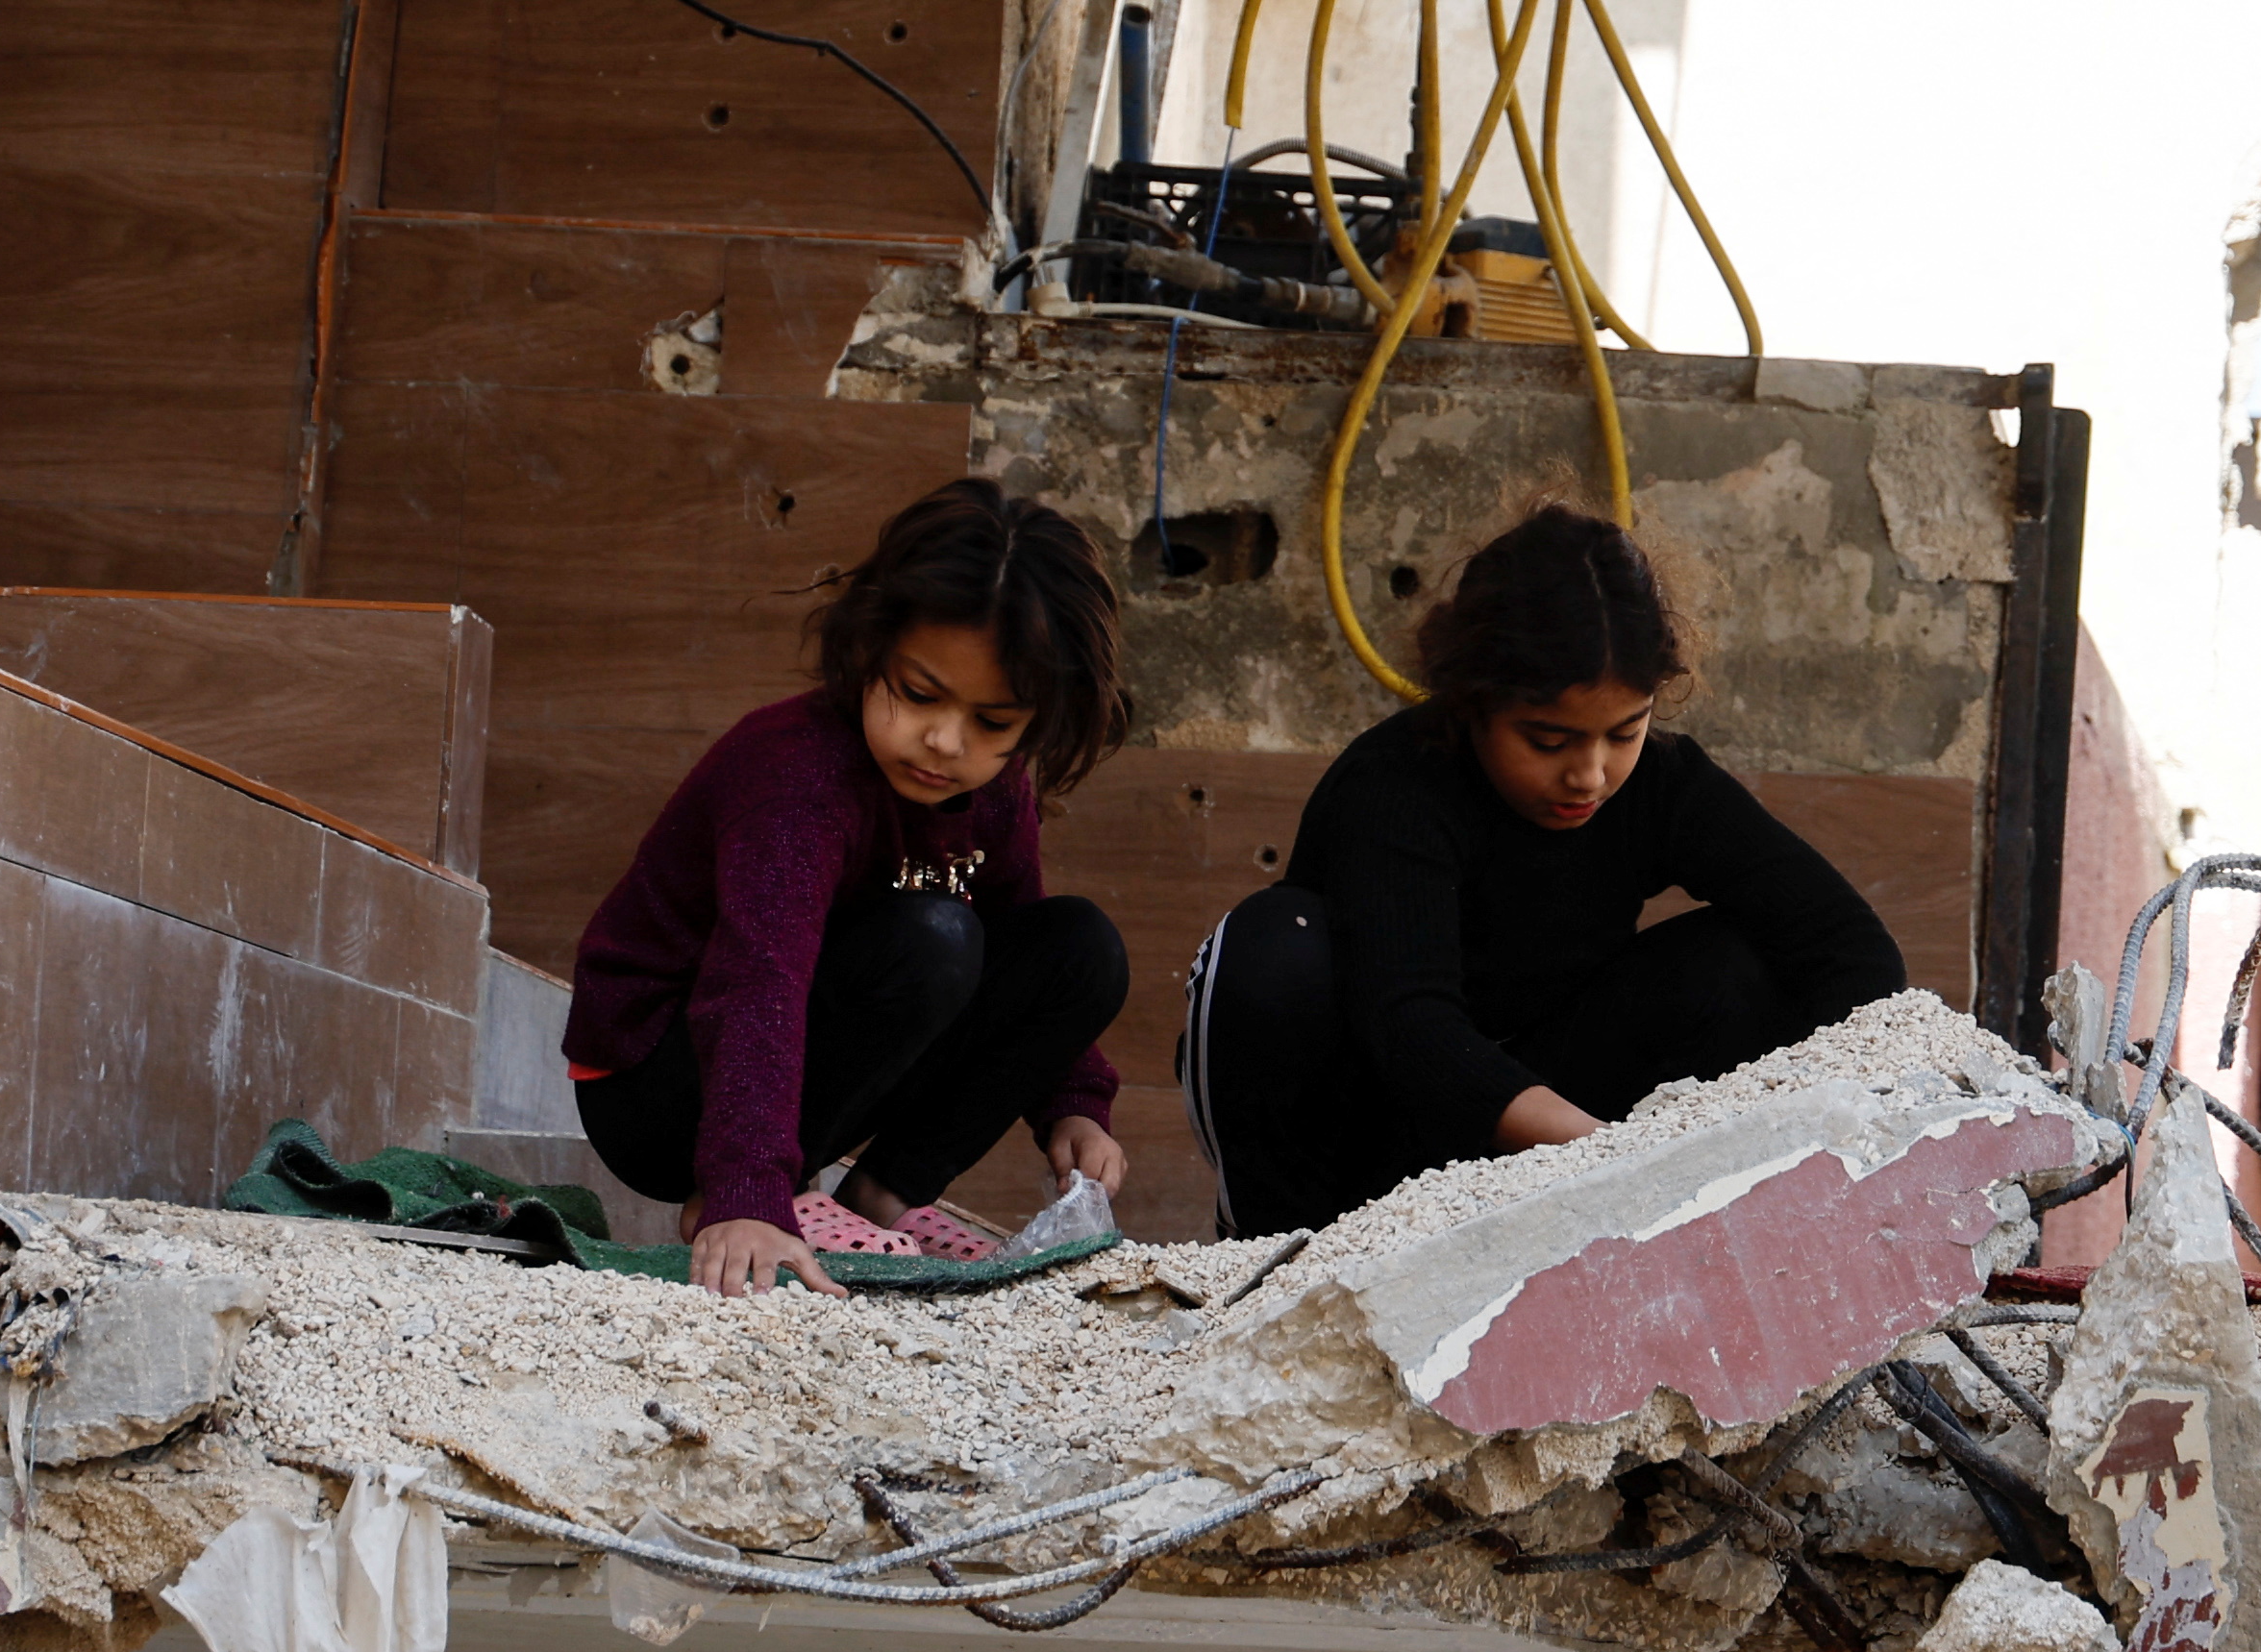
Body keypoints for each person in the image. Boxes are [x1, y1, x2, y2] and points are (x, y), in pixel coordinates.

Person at [1184, 504, 1901, 1234]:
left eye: (1625, 732)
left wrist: (1817, 1132)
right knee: (1272, 947)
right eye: (1549, 740)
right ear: (1474, 703)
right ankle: (1264, 1247)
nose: (1589, 775)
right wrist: (1617, 1155)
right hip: (1378, 1132)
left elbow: (1851, 948)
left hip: (1550, 1120)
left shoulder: (1662, 783)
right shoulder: (1395, 787)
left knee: (1742, 958)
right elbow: (1411, 1024)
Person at [566, 478, 1136, 1293]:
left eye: (993, 723)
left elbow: (1025, 942)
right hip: (659, 1087)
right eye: (918, 694)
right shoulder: (797, 775)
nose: (943, 740)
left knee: (1080, 948)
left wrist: (1073, 1101)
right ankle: (753, 1198)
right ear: (871, 646)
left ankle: (880, 1200)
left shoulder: (992, 789)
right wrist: (745, 1190)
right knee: (934, 940)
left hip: (807, 1066)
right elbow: (754, 982)